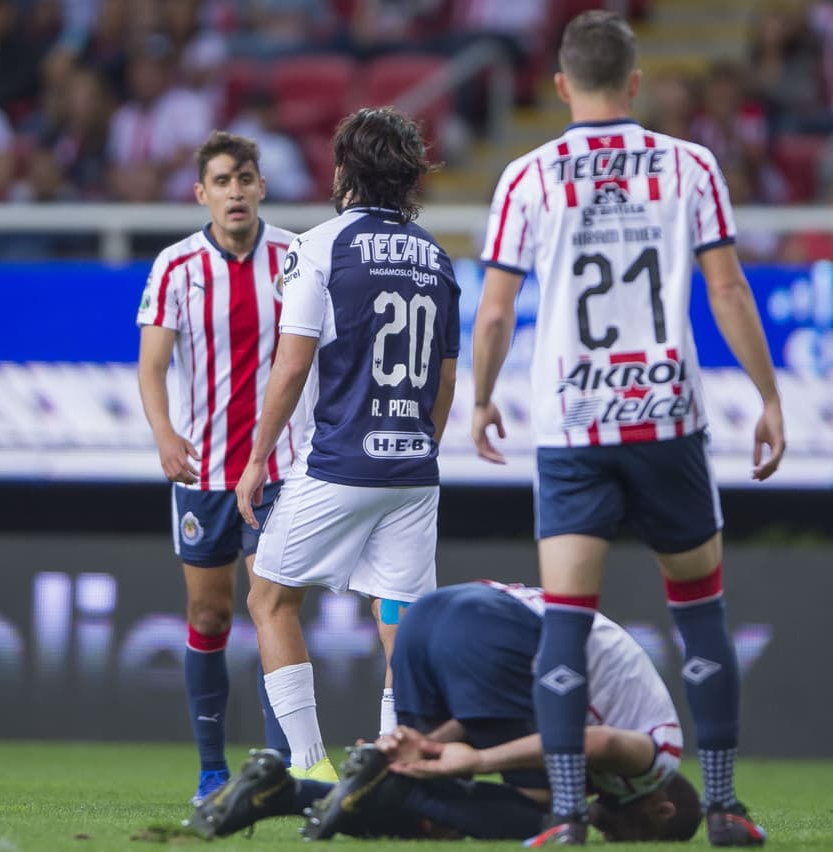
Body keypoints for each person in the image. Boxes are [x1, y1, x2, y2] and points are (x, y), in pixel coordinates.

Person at [469, 10, 782, 846]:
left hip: (574, 426)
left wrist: (482, 395)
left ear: (563, 84)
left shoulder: (528, 176)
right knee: (702, 613)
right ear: (635, 82)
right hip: (664, 416)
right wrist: (769, 396)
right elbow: (727, 293)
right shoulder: (689, 165)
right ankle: (721, 805)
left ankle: (569, 814)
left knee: (566, 622)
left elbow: (496, 310)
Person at [235, 107, 460, 783]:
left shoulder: (321, 245)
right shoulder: (437, 256)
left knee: (269, 599)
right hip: (413, 469)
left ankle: (310, 768)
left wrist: (254, 460)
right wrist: (420, 446)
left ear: (343, 172)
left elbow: (293, 363)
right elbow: (445, 377)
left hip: (338, 461)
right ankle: (390, 770)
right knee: (402, 625)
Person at [188, 581, 702, 844]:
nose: (611, 835)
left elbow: (494, 713)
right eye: (628, 838)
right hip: (496, 629)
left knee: (431, 788)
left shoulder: (622, 711)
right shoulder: (662, 756)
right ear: (662, 810)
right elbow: (597, 743)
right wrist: (474, 763)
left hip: (432, 616)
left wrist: (433, 744)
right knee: (547, 813)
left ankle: (282, 793)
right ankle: (396, 785)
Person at [136, 130, 294, 803]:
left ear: (261, 186)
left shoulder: (295, 258)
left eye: (245, 178)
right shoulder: (176, 267)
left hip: (281, 470)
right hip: (202, 472)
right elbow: (150, 364)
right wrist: (165, 432)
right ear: (201, 194)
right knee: (208, 617)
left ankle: (281, 767)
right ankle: (211, 770)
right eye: (222, 181)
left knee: (272, 608)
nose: (235, 191)